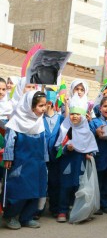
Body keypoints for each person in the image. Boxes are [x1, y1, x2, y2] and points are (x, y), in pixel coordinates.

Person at [2, 91, 48, 229]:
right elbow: (9, 141)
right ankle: (10, 216)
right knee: (19, 191)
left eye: (45, 105)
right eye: (41, 105)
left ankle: (26, 217)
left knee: (36, 191)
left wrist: (45, 160)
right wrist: (8, 157)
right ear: (30, 106)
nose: (44, 108)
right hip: (21, 163)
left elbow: (44, 142)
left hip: (38, 163)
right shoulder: (16, 122)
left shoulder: (39, 122)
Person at [55, 94, 98, 222]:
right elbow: (57, 148)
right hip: (67, 164)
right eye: (72, 113)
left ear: (83, 116)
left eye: (78, 114)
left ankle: (77, 209)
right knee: (65, 187)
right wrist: (65, 149)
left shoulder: (87, 132)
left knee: (79, 187)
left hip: (81, 164)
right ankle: (62, 210)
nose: (74, 116)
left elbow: (93, 149)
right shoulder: (65, 130)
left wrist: (90, 154)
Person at [43, 88, 64, 217]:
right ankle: (37, 209)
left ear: (49, 103)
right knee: (41, 182)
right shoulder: (38, 119)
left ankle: (54, 208)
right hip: (41, 156)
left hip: (56, 158)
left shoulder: (61, 119)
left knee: (55, 183)